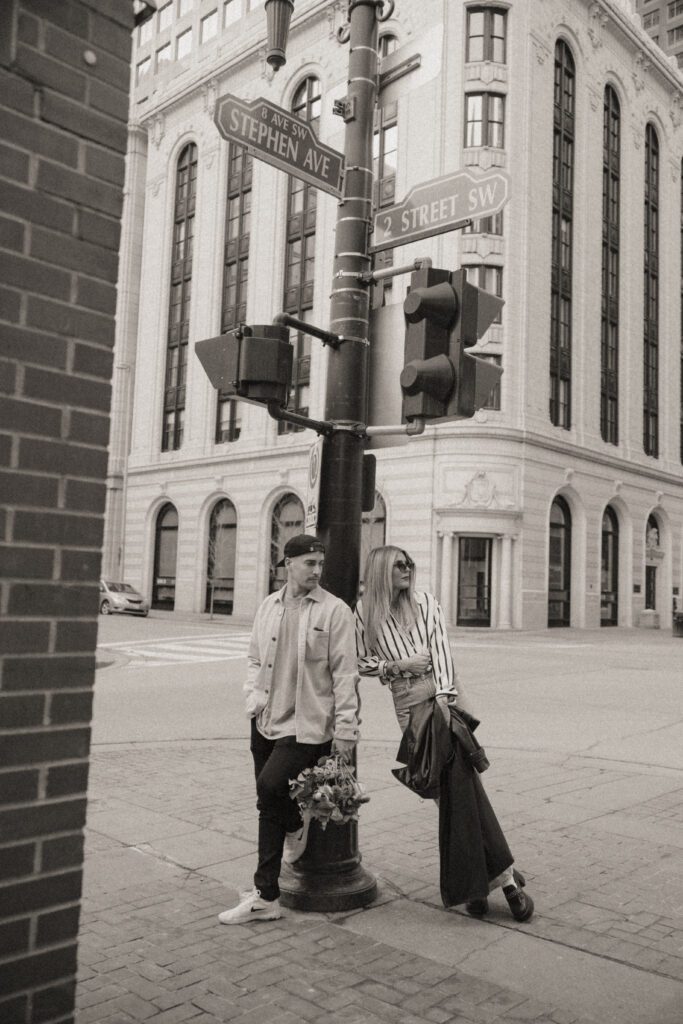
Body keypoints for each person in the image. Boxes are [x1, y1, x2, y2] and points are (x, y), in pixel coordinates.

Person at [354, 545, 534, 922]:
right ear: (381, 571)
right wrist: (397, 664)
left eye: (409, 564)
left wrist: (443, 706)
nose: (407, 570)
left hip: (441, 698)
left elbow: (443, 656)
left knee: (461, 793)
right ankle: (495, 876)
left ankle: (503, 884)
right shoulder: (365, 613)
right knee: (450, 798)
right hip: (407, 704)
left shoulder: (426, 603)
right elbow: (362, 662)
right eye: (399, 565)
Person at [218, 534, 360, 925]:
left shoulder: (335, 612)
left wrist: (347, 728)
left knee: (269, 787)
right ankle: (266, 895)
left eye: (320, 563)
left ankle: (296, 824)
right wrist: (251, 697)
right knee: (267, 804)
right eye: (309, 563)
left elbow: (345, 675)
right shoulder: (269, 606)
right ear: (289, 564)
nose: (316, 570)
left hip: (306, 725)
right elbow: (253, 657)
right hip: (265, 718)